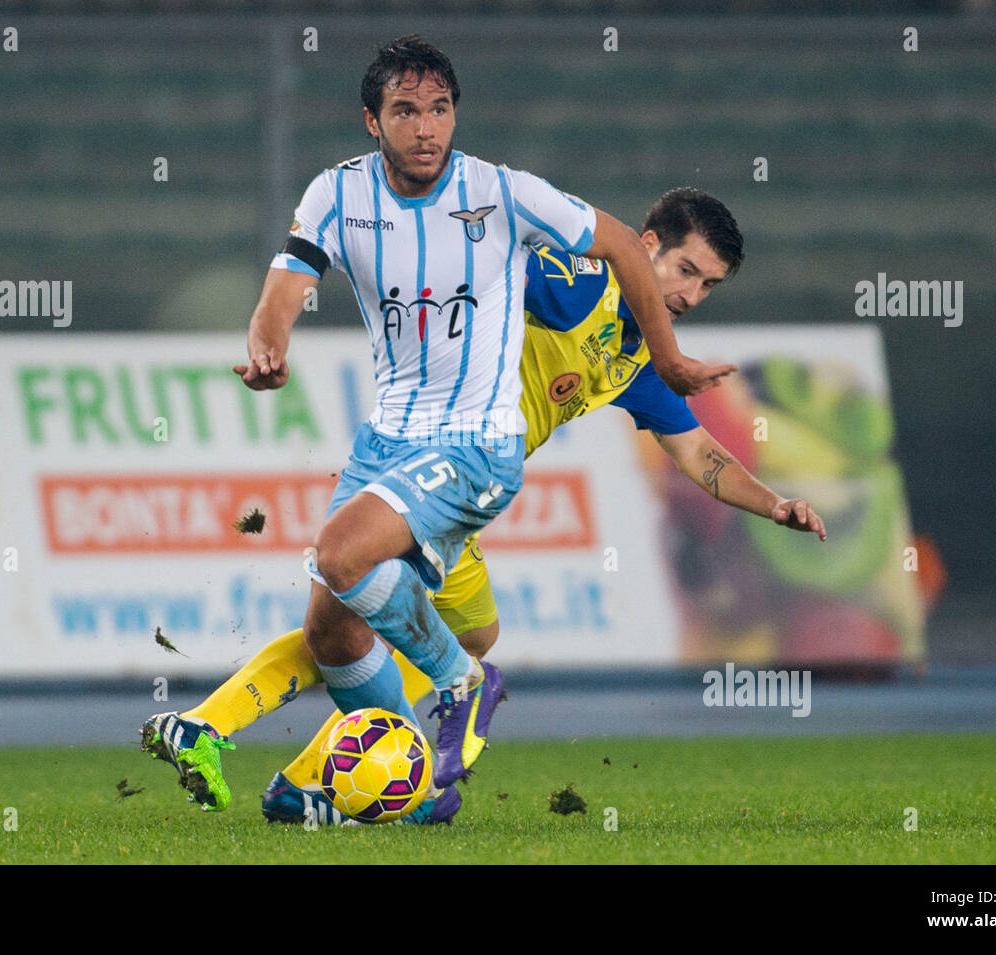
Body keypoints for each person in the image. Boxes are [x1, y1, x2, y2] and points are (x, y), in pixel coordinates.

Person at [141, 36, 734, 801]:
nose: (426, 127)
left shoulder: (504, 193)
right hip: (388, 440)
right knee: (335, 625)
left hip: (477, 444)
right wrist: (267, 348)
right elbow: (284, 288)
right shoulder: (337, 194)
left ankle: (459, 686)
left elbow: (619, 243)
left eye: (441, 109)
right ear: (372, 120)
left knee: (348, 556)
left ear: (457, 115)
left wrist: (671, 357)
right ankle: (410, 785)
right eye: (406, 110)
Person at [143, 187, 826, 824]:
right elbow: (482, 263)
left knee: (423, 629)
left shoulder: (634, 353)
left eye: (708, 284)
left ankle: (305, 763)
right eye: (686, 269)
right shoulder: (581, 281)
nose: (692, 293)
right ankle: (371, 759)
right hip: (433, 458)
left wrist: (775, 505)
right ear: (645, 245)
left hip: (457, 486)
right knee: (351, 615)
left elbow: (697, 453)